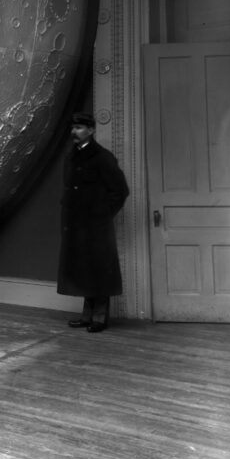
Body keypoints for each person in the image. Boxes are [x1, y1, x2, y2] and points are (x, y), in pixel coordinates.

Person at [57, 111, 129, 333]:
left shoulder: (103, 157)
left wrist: (102, 214)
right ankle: (87, 315)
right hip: (76, 227)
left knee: (99, 270)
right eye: (73, 128)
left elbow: (120, 191)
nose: (74, 132)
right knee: (84, 270)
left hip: (97, 228)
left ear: (91, 130)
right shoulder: (71, 157)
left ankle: (100, 317)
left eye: (79, 128)